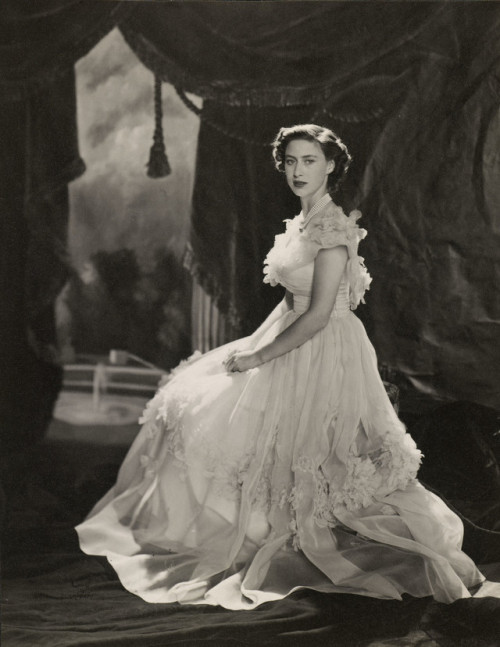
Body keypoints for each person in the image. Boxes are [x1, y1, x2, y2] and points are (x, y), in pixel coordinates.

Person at [76, 124, 484, 609]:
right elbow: (293, 301)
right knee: (201, 407)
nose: (297, 171)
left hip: (323, 349)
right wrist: (255, 344)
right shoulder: (304, 222)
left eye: (309, 160)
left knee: (325, 461)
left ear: (330, 166)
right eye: (290, 161)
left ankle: (381, 545)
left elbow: (318, 315)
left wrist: (258, 356)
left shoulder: (332, 231)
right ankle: (242, 528)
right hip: (291, 336)